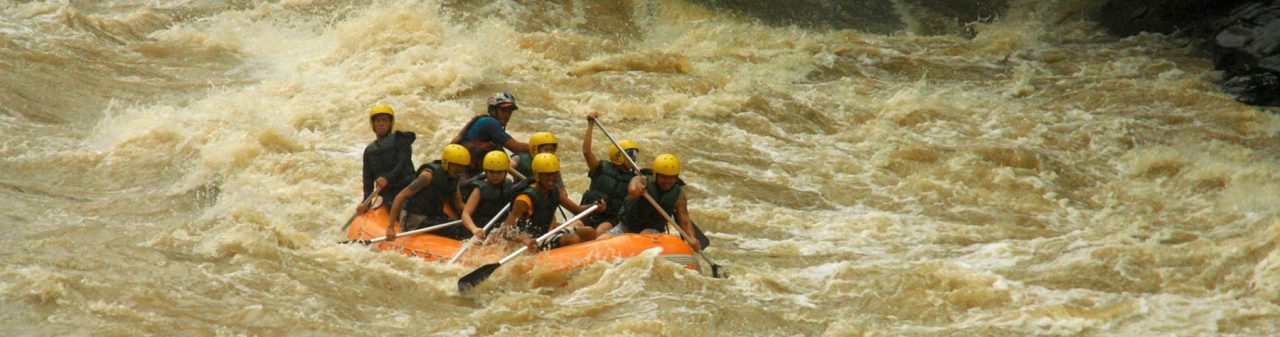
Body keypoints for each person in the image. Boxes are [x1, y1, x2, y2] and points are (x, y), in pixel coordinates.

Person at [496, 153, 604, 251]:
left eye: (554, 174)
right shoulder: (525, 200)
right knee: (572, 238)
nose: (551, 178)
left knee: (589, 231)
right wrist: (525, 240)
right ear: (538, 175)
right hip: (532, 241)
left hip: (547, 234)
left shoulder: (555, 190)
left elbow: (577, 210)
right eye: (547, 175)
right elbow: (505, 231)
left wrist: (594, 206)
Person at [608, 153, 701, 251]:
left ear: (676, 177)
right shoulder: (644, 180)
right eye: (664, 177)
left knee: (645, 234)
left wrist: (691, 238)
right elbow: (632, 188)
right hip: (627, 226)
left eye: (671, 177)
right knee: (603, 239)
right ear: (656, 175)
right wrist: (637, 189)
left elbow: (684, 219)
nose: (667, 181)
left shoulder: (679, 195)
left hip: (652, 230)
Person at [385, 144, 471, 242]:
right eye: (457, 165)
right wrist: (390, 228)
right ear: (447, 163)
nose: (460, 170)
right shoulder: (427, 176)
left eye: (463, 167)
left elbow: (459, 205)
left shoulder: (454, 178)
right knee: (455, 230)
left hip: (435, 216)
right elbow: (400, 196)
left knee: (464, 229)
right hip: (415, 218)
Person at [577, 112, 641, 234]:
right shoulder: (600, 168)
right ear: (619, 156)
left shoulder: (633, 179)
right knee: (577, 226)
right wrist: (590, 124)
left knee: (601, 230)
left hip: (611, 218)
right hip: (591, 210)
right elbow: (586, 151)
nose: (634, 159)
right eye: (631, 155)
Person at [451, 92, 531, 176]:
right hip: (462, 175)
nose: (507, 114)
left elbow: (505, 162)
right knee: (524, 158)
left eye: (509, 111)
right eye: (503, 110)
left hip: (466, 174)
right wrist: (538, 147)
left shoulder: (487, 125)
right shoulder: (489, 122)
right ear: (492, 110)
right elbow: (516, 147)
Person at [359, 104, 415, 213]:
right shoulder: (369, 151)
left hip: (408, 187)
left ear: (390, 123)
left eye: (385, 120)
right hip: (391, 193)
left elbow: (403, 162)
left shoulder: (400, 139)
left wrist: (387, 178)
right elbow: (368, 180)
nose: (381, 124)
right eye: (378, 121)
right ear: (373, 124)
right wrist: (366, 202)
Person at [460, 151, 522, 242]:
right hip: (480, 229)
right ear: (486, 171)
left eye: (499, 172)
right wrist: (474, 229)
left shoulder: (508, 184)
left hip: (497, 229)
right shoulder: (479, 189)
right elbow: (465, 214)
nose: (495, 175)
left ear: (505, 172)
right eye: (491, 172)